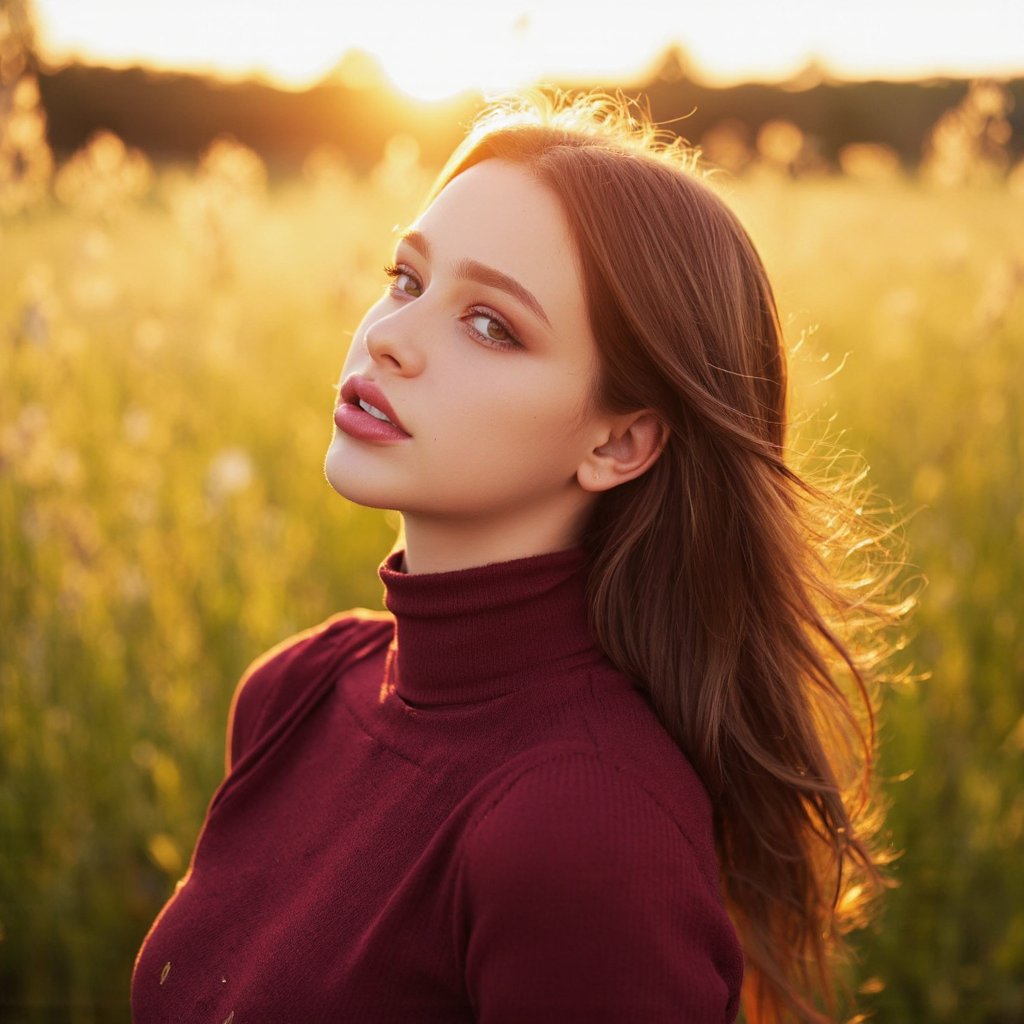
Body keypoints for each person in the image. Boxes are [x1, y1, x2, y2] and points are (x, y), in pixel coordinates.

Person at [132, 93, 901, 1023]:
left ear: (619, 445)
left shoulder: (586, 830)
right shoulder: (296, 692)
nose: (387, 336)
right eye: (408, 280)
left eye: (491, 324)